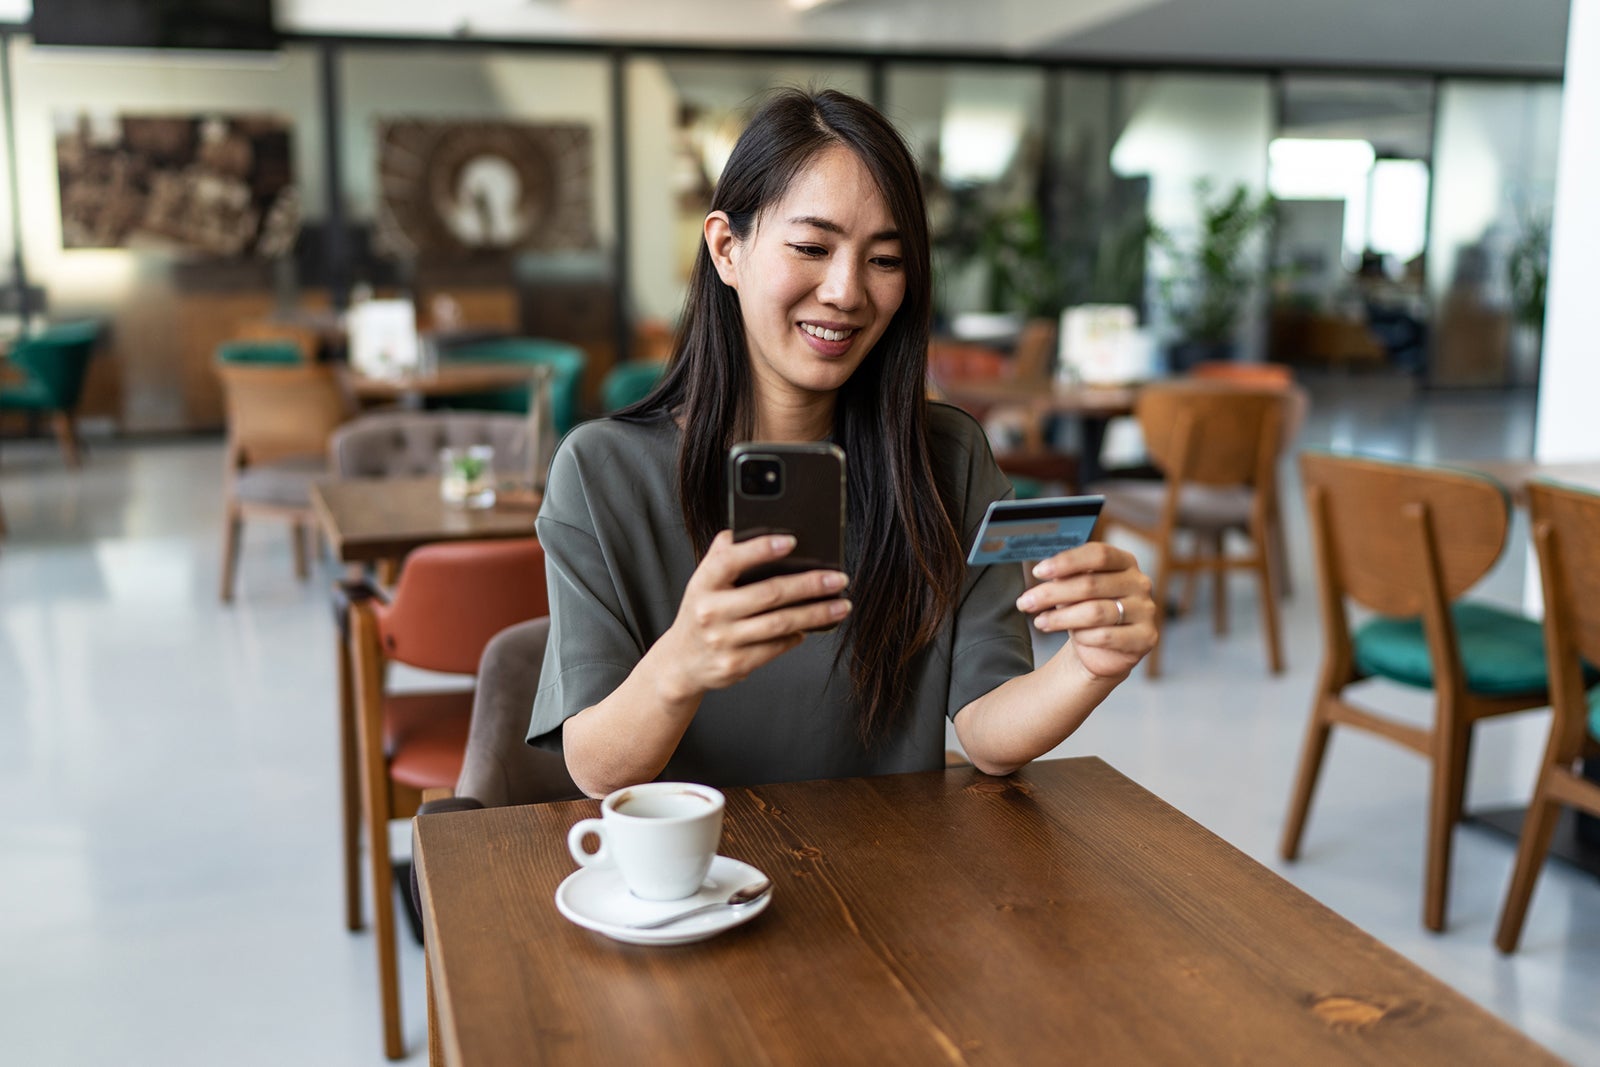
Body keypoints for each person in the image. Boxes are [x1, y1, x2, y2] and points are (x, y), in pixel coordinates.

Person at [529, 88, 1156, 798]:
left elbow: (985, 729)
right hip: (693, 890)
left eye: (884, 259)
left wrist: (1090, 662)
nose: (846, 290)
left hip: (883, 889)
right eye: (811, 247)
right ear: (727, 248)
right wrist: (682, 662)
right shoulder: (601, 472)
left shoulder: (946, 460)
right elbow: (596, 768)